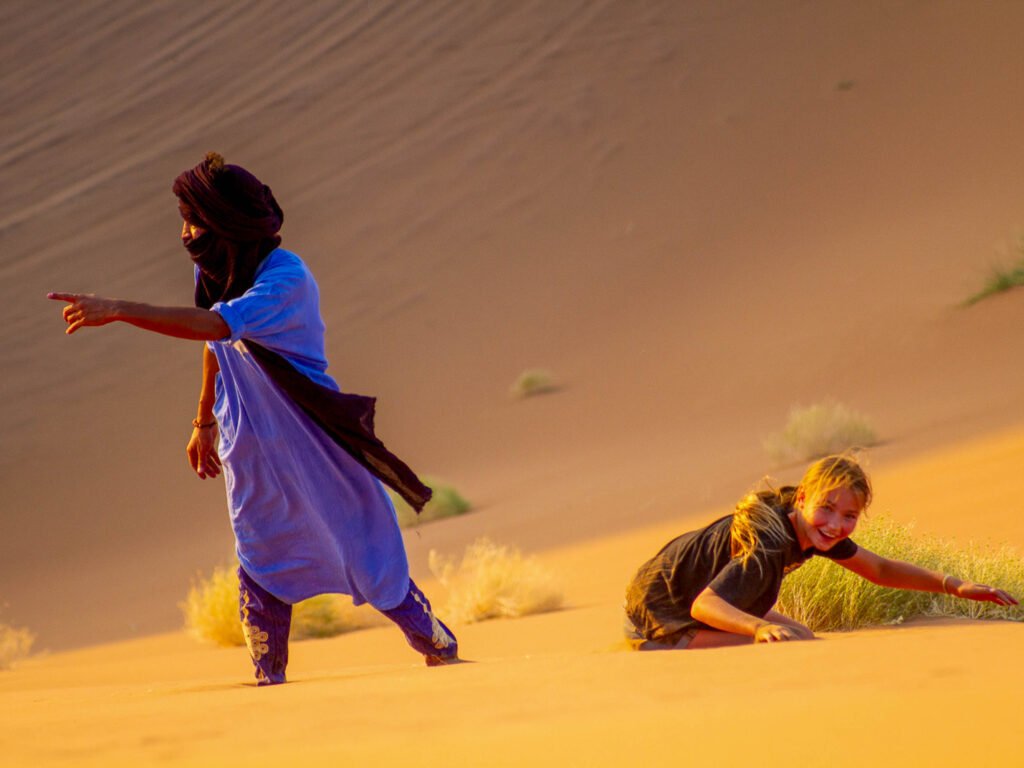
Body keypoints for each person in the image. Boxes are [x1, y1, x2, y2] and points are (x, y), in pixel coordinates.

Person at [49, 152, 458, 684]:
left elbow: (216, 326)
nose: (186, 233)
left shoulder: (285, 280)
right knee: (261, 550)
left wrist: (120, 309)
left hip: (311, 437)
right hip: (251, 438)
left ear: (229, 223)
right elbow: (213, 338)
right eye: (184, 220)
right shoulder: (221, 268)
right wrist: (203, 420)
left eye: (195, 221)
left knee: (362, 548)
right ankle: (269, 683)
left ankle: (439, 646)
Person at [624, 454, 1017, 650]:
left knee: (802, 635)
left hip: (686, 589)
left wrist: (956, 586)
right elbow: (704, 606)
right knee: (782, 641)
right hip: (662, 606)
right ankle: (659, 647)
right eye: (826, 508)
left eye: (849, 515)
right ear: (802, 498)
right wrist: (759, 628)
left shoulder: (811, 531)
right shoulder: (771, 541)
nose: (835, 524)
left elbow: (879, 569)